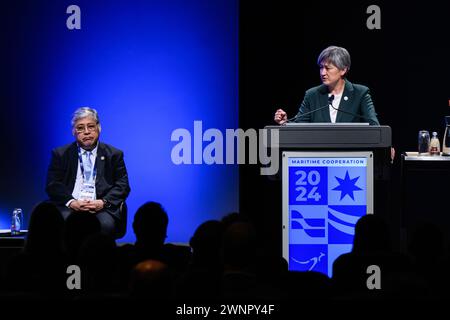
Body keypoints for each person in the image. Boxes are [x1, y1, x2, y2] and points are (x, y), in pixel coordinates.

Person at [46, 107, 131, 237]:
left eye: (90, 126)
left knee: (105, 226)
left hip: (101, 208)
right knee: (62, 225)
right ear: (74, 132)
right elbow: (53, 184)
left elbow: (123, 185)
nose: (86, 132)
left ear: (99, 128)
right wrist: (72, 202)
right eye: (80, 128)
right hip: (70, 206)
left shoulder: (114, 154)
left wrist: (103, 202)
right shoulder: (61, 154)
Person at [274, 46, 380, 126]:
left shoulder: (360, 93)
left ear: (343, 70)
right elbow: (300, 126)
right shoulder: (312, 95)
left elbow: (374, 127)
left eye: (328, 68)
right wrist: (285, 123)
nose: (323, 72)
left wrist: (385, 146)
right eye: (321, 67)